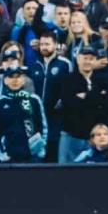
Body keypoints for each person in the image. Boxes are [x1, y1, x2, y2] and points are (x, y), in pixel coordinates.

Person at [58, 46, 108, 163]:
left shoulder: (102, 80)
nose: (88, 61)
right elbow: (70, 104)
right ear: (78, 59)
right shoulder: (67, 80)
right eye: (85, 58)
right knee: (65, 174)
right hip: (71, 135)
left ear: (95, 61)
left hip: (93, 138)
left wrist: (86, 97)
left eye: (91, 58)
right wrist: (96, 98)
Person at [0, 65, 47, 163]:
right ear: (5, 80)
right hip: (9, 158)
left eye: (18, 77)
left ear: (23, 79)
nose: (15, 80)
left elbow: (43, 127)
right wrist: (1, 155)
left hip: (32, 157)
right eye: (11, 77)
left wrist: (41, 150)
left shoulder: (34, 100)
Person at [29, 31, 72, 163]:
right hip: (37, 117)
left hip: (56, 116)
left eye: (47, 44)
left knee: (54, 152)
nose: (44, 47)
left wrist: (61, 104)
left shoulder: (64, 64)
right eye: (42, 44)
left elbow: (69, 87)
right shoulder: (34, 65)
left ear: (55, 45)